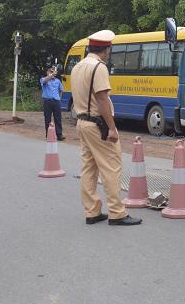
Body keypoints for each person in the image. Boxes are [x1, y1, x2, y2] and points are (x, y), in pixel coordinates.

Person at [71, 30, 141, 226]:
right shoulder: (98, 67)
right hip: (97, 124)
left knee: (89, 168)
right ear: (106, 49)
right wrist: (112, 128)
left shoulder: (78, 67)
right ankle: (117, 213)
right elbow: (102, 99)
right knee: (111, 167)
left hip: (82, 122)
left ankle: (92, 211)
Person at [40, 66, 64, 141]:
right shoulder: (44, 79)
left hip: (56, 101)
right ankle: (48, 135)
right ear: (47, 72)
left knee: (58, 119)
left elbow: (61, 90)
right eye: (50, 71)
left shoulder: (58, 81)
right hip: (47, 101)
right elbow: (44, 81)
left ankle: (59, 135)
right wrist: (51, 75)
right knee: (47, 119)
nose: (52, 73)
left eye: (53, 71)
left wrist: (59, 98)